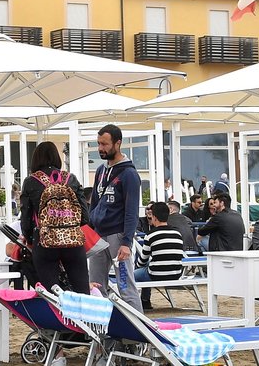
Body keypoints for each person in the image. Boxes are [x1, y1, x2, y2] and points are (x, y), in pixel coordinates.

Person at [19, 141, 89, 295]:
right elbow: (85, 216)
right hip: (72, 242)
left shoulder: (30, 182)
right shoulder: (71, 179)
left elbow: (26, 218)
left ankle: (55, 310)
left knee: (52, 295)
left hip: (44, 242)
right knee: (82, 292)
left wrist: (29, 238)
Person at [86, 125, 141, 308]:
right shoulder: (101, 171)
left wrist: (127, 242)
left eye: (105, 144)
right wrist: (90, 230)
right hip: (98, 235)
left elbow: (132, 211)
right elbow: (94, 203)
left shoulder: (129, 174)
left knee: (126, 287)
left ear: (118, 143)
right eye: (98, 143)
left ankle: (137, 325)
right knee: (95, 286)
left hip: (118, 235)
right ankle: (100, 323)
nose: (100, 148)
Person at [133, 201, 185, 308]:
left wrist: (137, 266)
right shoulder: (177, 234)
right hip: (176, 274)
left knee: (134, 274)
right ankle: (145, 301)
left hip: (156, 274)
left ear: (155, 217)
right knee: (148, 268)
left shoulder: (151, 235)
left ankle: (143, 301)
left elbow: (143, 260)